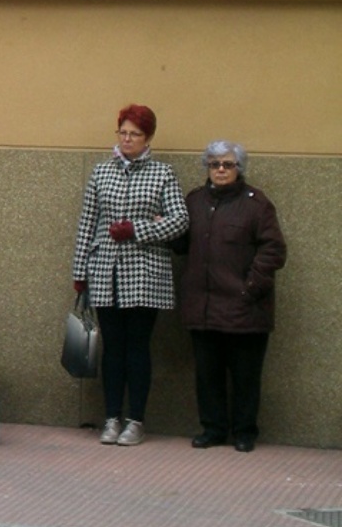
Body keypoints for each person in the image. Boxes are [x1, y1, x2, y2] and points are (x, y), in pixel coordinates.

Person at [71, 104, 189, 447]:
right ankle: (111, 417)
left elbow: (180, 220)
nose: (127, 139)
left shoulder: (163, 174)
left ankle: (136, 419)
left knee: (138, 347)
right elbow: (87, 224)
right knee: (113, 348)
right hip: (105, 269)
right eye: (122, 132)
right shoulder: (102, 172)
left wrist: (137, 229)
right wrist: (80, 271)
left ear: (148, 138)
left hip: (145, 272)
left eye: (134, 134)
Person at [173, 141, 286, 453]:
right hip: (204, 308)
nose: (220, 170)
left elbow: (273, 249)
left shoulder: (257, 204)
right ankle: (213, 429)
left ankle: (245, 431)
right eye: (214, 164)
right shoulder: (194, 201)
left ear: (240, 168)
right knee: (207, 375)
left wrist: (250, 288)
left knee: (245, 377)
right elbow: (183, 244)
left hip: (245, 309)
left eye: (227, 164)